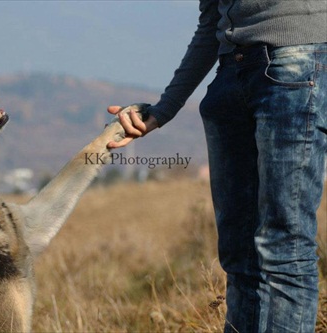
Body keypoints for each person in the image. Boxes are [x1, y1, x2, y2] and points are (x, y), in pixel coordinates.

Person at [107, 1, 327, 332]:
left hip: (295, 65)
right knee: (239, 255)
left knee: (284, 249)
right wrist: (164, 109)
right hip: (228, 77)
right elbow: (211, 21)